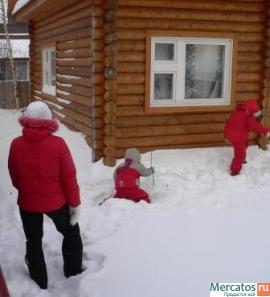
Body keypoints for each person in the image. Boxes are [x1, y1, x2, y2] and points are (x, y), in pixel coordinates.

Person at [8, 101, 83, 289]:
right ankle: (73, 271)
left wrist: (26, 189)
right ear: (48, 120)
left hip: (28, 202)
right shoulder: (58, 144)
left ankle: (39, 279)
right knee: (71, 232)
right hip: (56, 203)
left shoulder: (16, 144)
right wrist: (74, 204)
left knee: (33, 239)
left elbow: (14, 175)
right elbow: (69, 177)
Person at [224, 99, 270, 176]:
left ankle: (241, 160)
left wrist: (226, 136)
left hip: (234, 135)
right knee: (240, 154)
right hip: (238, 137)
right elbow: (256, 127)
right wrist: (266, 130)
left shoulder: (236, 113)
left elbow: (227, 124)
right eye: (255, 114)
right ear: (253, 110)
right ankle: (235, 170)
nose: (255, 116)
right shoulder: (248, 116)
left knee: (245, 145)